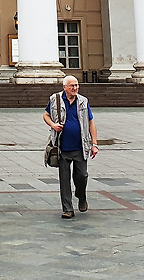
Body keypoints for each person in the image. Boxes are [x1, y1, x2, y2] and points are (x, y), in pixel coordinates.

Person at [44, 75, 100, 219]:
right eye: (72, 86)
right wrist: (53, 125)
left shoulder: (83, 101)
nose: (75, 88)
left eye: (76, 85)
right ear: (65, 87)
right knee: (64, 180)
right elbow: (46, 115)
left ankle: (81, 195)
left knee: (82, 176)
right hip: (62, 147)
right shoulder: (55, 99)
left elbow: (91, 122)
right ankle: (68, 209)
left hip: (80, 146)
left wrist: (94, 144)